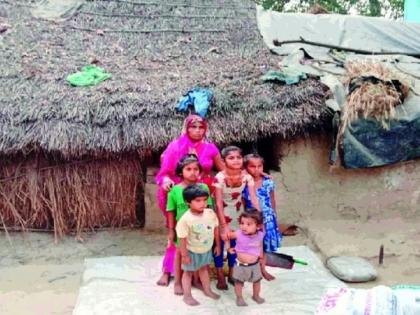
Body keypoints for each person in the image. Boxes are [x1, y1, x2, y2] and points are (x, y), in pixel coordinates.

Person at [156, 114, 224, 286]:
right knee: (178, 234)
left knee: (200, 232)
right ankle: (167, 270)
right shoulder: (175, 146)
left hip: (202, 196)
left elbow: (223, 169)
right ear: (186, 128)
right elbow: (164, 172)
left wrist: (250, 176)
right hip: (181, 194)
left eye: (201, 127)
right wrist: (166, 182)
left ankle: (196, 274)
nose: (197, 130)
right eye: (193, 127)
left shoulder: (210, 148)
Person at [213, 146, 260, 290]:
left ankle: (232, 272)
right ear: (224, 160)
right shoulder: (219, 177)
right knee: (219, 246)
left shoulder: (247, 177)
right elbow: (219, 203)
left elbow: (254, 199)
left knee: (236, 245)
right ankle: (220, 275)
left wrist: (258, 220)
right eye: (231, 158)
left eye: (238, 157)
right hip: (221, 214)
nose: (236, 160)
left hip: (238, 214)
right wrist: (223, 225)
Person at [166, 154, 213, 295]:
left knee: (199, 254)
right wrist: (171, 230)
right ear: (181, 171)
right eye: (188, 169)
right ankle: (178, 282)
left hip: (200, 229)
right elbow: (170, 211)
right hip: (182, 230)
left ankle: (197, 280)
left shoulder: (203, 187)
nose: (193, 172)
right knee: (180, 254)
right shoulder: (175, 190)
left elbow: (209, 208)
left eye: (196, 169)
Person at [176, 184, 221, 306]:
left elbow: (216, 228)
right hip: (191, 251)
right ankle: (187, 296)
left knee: (204, 269)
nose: (203, 203)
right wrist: (184, 255)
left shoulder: (210, 213)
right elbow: (182, 238)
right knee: (188, 273)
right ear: (188, 202)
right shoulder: (185, 219)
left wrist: (218, 245)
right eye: (198, 201)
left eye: (205, 200)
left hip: (206, 249)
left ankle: (207, 290)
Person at [243, 153, 282, 281]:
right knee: (251, 245)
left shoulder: (268, 181)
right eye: (252, 166)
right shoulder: (244, 183)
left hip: (268, 219)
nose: (257, 169)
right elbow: (244, 202)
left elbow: (272, 199)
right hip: (251, 220)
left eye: (260, 166)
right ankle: (251, 270)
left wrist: (273, 215)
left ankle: (262, 269)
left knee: (263, 246)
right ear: (246, 167)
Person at [226, 209, 265, 306]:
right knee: (238, 283)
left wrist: (261, 254)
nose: (244, 226)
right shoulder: (238, 234)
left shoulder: (260, 234)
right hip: (241, 265)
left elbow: (260, 244)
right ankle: (239, 298)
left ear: (258, 226)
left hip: (255, 265)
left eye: (248, 224)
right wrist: (228, 248)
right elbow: (226, 236)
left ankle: (256, 295)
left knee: (257, 281)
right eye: (242, 223)